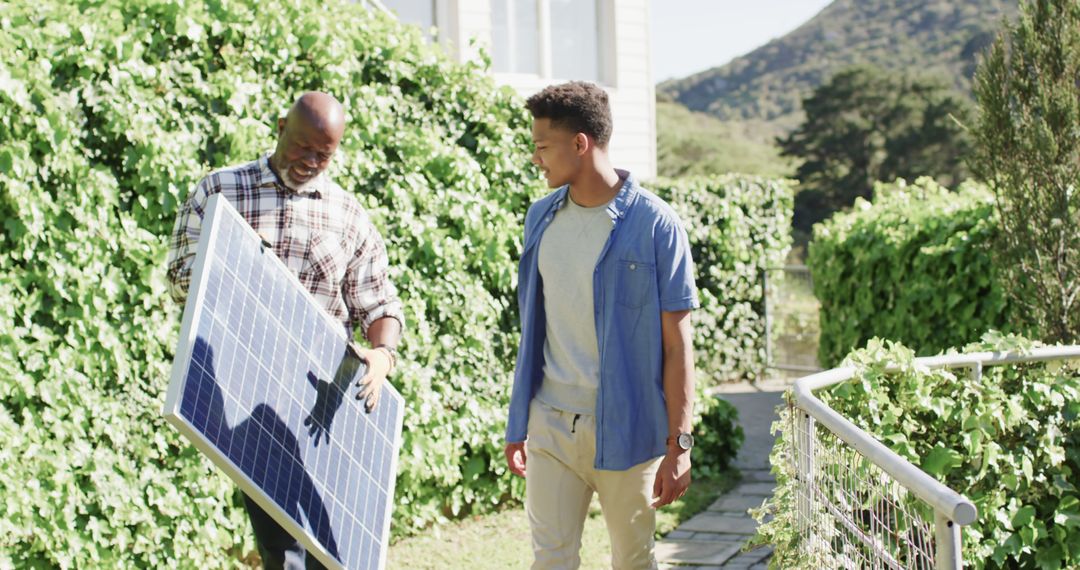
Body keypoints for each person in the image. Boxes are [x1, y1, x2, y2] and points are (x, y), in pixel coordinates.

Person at [165, 91, 404, 569]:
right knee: (283, 549)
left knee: (333, 548)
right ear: (279, 127)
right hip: (244, 387)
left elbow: (379, 301)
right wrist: (234, 256)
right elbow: (178, 278)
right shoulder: (219, 192)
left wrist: (382, 355)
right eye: (301, 146)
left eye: (324, 154)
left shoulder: (347, 215)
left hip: (323, 403)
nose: (310, 161)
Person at [504, 81, 699, 569]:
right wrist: (518, 422)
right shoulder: (539, 218)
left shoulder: (657, 224)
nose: (536, 159)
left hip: (628, 431)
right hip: (549, 424)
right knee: (550, 561)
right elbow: (535, 328)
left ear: (579, 143)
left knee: (632, 561)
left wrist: (680, 448)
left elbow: (678, 349)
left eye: (542, 146)